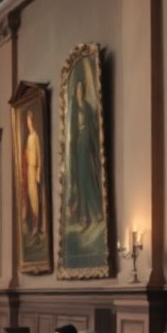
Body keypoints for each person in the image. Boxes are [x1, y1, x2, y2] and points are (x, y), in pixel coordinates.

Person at [68, 76, 104, 229]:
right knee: (81, 182)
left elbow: (93, 128)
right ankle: (84, 216)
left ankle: (95, 212)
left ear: (84, 91)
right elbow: (72, 131)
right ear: (76, 92)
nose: (80, 92)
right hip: (79, 146)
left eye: (82, 90)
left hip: (87, 143)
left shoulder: (88, 108)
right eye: (78, 90)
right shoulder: (74, 109)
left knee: (88, 179)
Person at [21, 109, 44, 238]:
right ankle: (34, 226)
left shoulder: (35, 137)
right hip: (29, 169)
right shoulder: (29, 138)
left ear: (32, 121)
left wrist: (39, 171)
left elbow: (39, 155)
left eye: (29, 120)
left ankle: (37, 226)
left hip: (34, 169)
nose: (28, 123)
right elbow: (27, 155)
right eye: (27, 121)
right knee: (30, 196)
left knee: (35, 197)